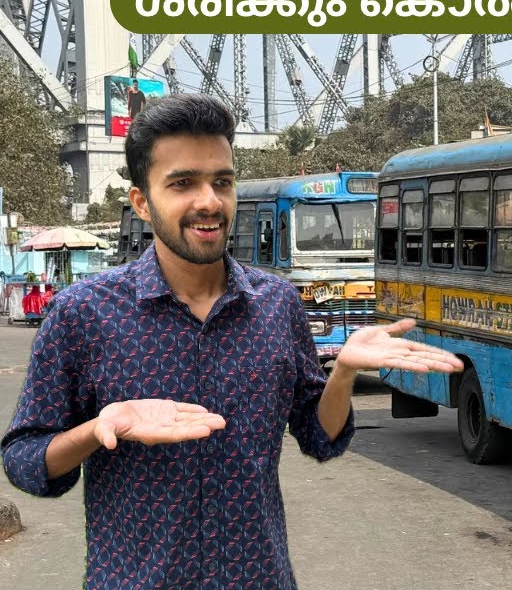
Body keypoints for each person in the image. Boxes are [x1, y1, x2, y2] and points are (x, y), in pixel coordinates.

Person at [1, 94, 463, 590]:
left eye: (222, 181)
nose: (209, 201)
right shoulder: (84, 313)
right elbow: (26, 461)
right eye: (182, 184)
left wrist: (344, 372)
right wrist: (98, 429)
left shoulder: (278, 305)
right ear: (142, 201)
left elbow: (319, 437)